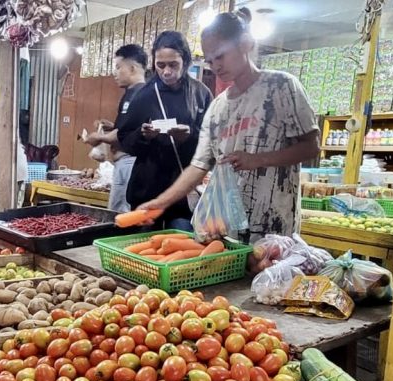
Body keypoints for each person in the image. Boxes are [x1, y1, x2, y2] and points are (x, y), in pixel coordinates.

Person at [139, 9, 319, 241]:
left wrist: (258, 159)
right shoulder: (217, 108)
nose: (215, 66)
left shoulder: (281, 86)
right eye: (210, 60)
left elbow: (311, 147)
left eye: (220, 56)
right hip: (225, 229)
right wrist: (160, 203)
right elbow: (198, 165)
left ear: (245, 43)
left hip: (274, 228)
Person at [117, 31, 213, 229]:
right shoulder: (144, 95)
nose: (166, 71)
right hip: (147, 188)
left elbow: (211, 142)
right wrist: (142, 135)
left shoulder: (200, 93)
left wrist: (189, 136)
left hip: (184, 192)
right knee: (142, 252)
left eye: (173, 64)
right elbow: (124, 139)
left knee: (181, 243)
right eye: (160, 65)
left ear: (185, 61)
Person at [85, 44, 148, 213]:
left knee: (120, 216)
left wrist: (98, 138)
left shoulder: (139, 94)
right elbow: (131, 127)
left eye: (119, 67)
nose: (115, 73)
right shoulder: (133, 93)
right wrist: (112, 126)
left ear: (133, 68)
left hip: (129, 163)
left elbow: (125, 134)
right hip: (124, 163)